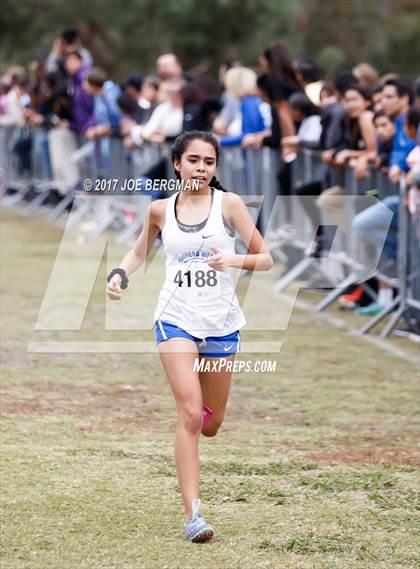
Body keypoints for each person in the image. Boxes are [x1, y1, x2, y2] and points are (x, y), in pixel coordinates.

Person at [106, 130, 273, 542]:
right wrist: (120, 272)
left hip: (221, 322)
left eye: (209, 162)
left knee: (210, 423)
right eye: (194, 160)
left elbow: (265, 258)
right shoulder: (160, 209)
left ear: (216, 168)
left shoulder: (230, 205)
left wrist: (232, 258)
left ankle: (198, 443)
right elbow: (141, 250)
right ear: (177, 163)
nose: (201, 168)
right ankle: (194, 516)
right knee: (188, 413)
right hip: (175, 318)